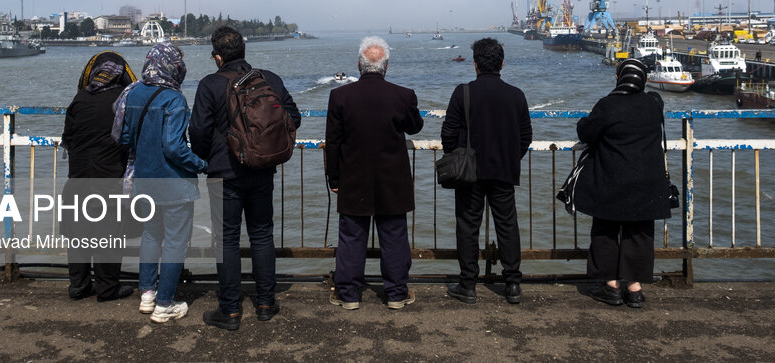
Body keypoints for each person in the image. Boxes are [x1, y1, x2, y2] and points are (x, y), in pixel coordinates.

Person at [190, 26, 301, 331]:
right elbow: (294, 116)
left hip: (223, 173)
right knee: (262, 235)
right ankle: (265, 304)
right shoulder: (269, 79)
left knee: (225, 240)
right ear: (243, 51)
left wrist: (207, 157)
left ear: (216, 57)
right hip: (262, 168)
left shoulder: (210, 84)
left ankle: (230, 310)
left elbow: (197, 132)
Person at [325, 36, 424, 310]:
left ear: (359, 65)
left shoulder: (339, 96)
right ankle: (396, 294)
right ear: (386, 66)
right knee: (393, 236)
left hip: (353, 177)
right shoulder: (403, 95)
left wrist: (333, 178)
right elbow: (415, 128)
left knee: (351, 237)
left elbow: (333, 143)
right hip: (393, 178)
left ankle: (348, 295)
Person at [116, 42, 208, 324]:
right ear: (172, 67)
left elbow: (125, 137)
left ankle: (147, 295)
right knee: (176, 242)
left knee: (151, 235)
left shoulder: (132, 93)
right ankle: (165, 304)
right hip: (173, 183)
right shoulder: (174, 99)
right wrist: (201, 164)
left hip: (144, 179)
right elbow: (174, 148)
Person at [574, 58, 672, 309]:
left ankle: (611, 287)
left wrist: (583, 122)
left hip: (611, 179)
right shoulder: (653, 104)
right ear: (643, 79)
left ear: (619, 78)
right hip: (647, 182)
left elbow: (587, 132)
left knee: (605, 231)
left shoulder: (608, 104)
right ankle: (635, 289)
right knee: (640, 233)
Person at [441, 37, 532, 305]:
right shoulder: (516, 95)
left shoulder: (463, 92)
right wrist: (511, 157)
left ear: (475, 64)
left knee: (468, 226)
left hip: (469, 172)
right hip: (503, 169)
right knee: (507, 225)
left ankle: (468, 285)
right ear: (502, 64)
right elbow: (525, 135)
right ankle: (513, 283)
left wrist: (457, 155)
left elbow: (448, 133)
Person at [61, 51, 137, 301]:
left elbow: (68, 139)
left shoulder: (79, 99)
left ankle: (79, 286)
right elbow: (129, 139)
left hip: (78, 178)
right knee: (108, 235)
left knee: (78, 236)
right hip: (108, 178)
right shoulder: (122, 101)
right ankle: (107, 288)